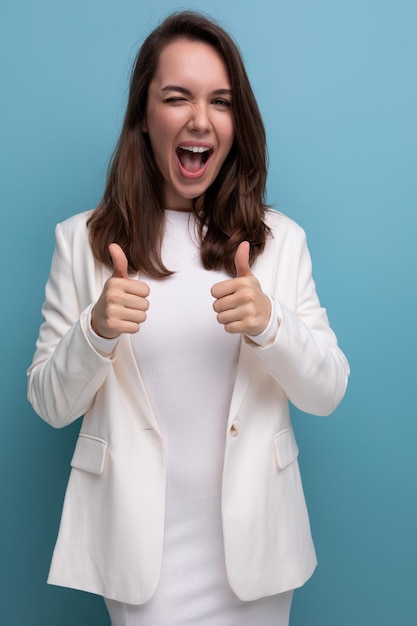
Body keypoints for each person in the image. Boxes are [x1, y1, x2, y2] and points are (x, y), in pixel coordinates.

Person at [27, 10, 349, 626]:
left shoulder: (279, 242)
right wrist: (94, 332)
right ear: (144, 118)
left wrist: (270, 324)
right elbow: (48, 403)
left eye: (221, 101)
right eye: (177, 98)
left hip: (254, 550)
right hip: (140, 552)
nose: (200, 119)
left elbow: (328, 389)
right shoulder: (81, 241)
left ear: (237, 121)